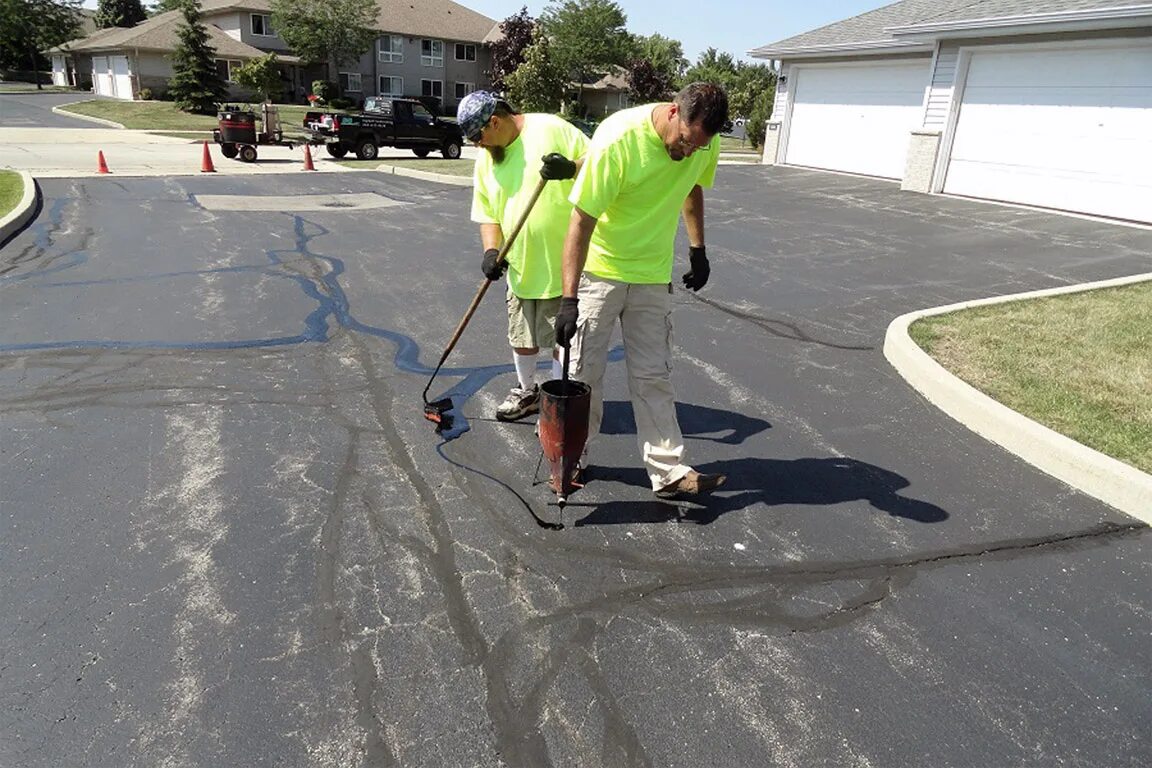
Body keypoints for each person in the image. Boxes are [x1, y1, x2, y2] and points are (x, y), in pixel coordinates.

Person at [553, 82, 729, 498]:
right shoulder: (617, 139)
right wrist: (568, 298)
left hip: (651, 275)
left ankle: (667, 471)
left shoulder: (706, 142)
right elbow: (580, 222)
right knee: (581, 375)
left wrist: (698, 249)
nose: (687, 153)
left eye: (698, 147)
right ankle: (570, 458)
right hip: (600, 272)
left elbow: (692, 188)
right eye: (685, 141)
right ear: (673, 113)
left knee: (654, 375)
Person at [457, 91, 589, 421]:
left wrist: (572, 168)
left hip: (563, 263)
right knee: (522, 334)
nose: (477, 145)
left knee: (562, 338)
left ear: (495, 122)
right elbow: (487, 211)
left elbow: (602, 162)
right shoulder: (487, 159)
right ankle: (527, 391)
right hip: (520, 265)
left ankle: (556, 401)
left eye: (477, 137)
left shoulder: (551, 129)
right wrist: (491, 251)